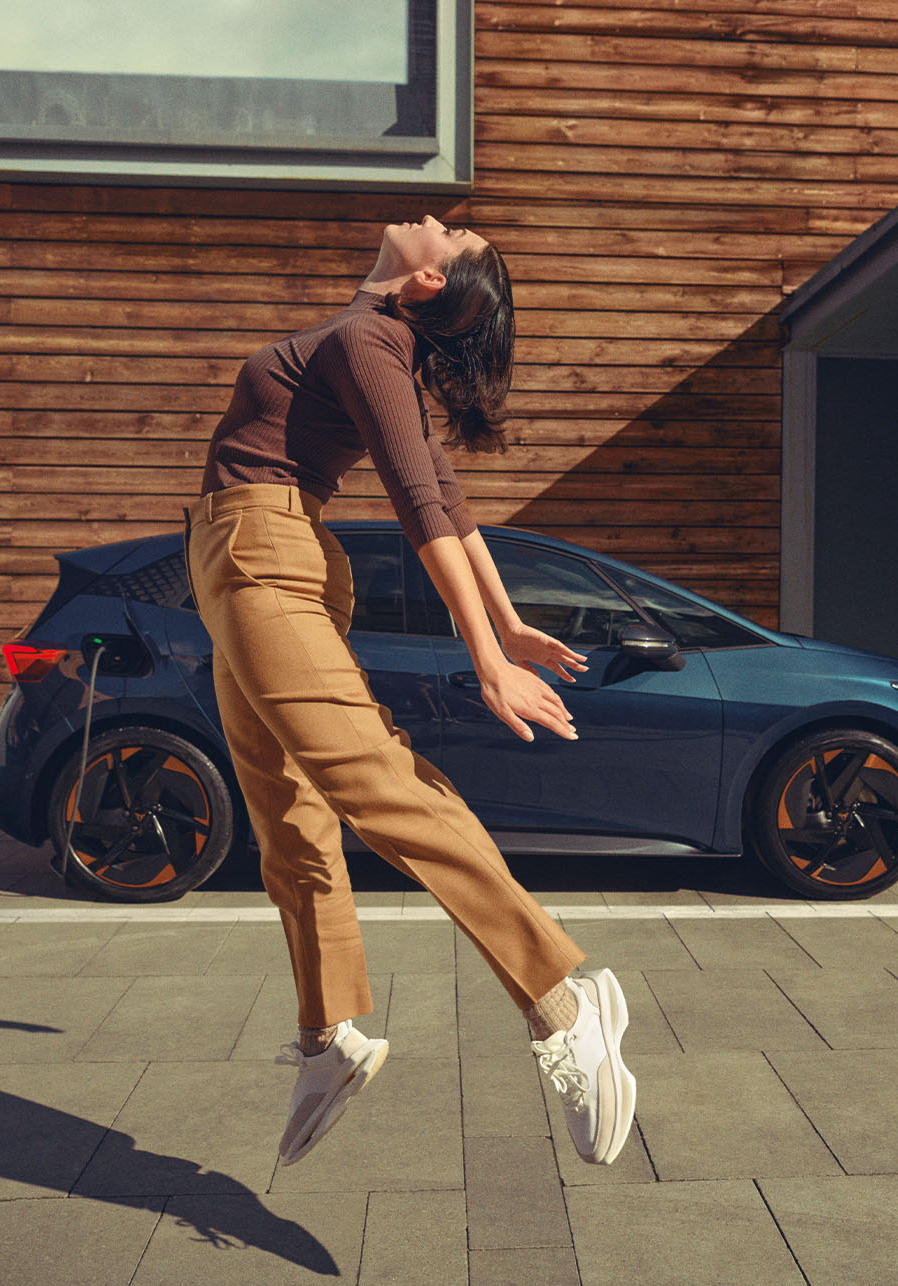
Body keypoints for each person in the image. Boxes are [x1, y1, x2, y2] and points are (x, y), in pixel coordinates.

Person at [181, 214, 636, 1167]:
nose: (444, 218)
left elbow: (422, 505)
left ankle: (562, 1003)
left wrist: (487, 654)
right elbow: (448, 497)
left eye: (457, 235)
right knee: (287, 817)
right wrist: (507, 623)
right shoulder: (367, 342)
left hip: (262, 558)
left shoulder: (365, 337)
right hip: (246, 564)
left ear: (428, 282)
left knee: (372, 783)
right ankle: (327, 1040)